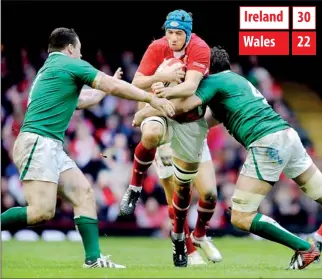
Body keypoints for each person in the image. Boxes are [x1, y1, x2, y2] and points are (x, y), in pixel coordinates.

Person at [0, 27, 175, 269]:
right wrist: (150, 99)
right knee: (41, 211)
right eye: (80, 51)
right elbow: (110, 86)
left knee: (84, 193)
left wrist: (105, 88)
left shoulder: (50, 71)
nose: (81, 57)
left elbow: (82, 100)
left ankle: (93, 260)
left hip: (47, 145)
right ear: (70, 48)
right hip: (38, 143)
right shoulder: (69, 64)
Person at [134, 46, 322, 270]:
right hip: (287, 136)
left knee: (241, 217)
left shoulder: (212, 82)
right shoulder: (236, 81)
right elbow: (205, 120)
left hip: (266, 143)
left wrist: (147, 110)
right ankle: (317, 239)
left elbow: (185, 106)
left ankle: (305, 248)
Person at [119, 9, 221, 266]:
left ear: (188, 34)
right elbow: (136, 82)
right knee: (170, 186)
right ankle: (182, 245)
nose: (173, 38)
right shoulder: (157, 47)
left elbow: (189, 89)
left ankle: (198, 236)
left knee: (208, 194)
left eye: (178, 33)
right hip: (162, 117)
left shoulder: (200, 48)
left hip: (188, 121)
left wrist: (153, 104)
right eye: (169, 32)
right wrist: (161, 78)